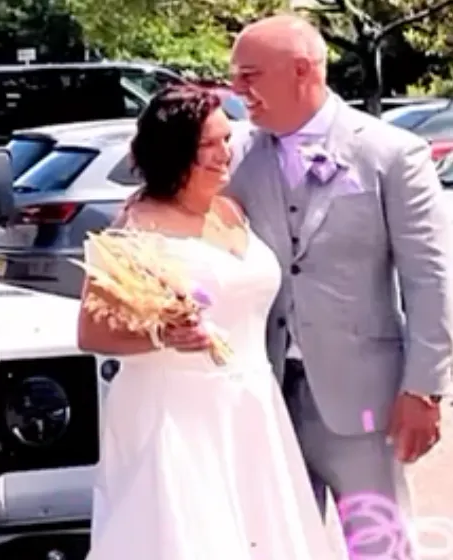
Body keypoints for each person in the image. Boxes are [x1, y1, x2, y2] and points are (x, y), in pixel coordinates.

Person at [169, 15, 453, 559]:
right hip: (263, 390)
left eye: (250, 75)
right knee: (273, 543)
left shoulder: (392, 154)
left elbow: (430, 277)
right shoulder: (240, 156)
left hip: (365, 399)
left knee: (380, 546)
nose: (237, 90)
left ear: (301, 71)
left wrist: (424, 389)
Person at [79, 84, 340, 559]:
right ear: (176, 151)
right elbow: (91, 331)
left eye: (227, 139)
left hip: (251, 402)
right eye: (211, 144)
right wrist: (163, 333)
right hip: (174, 411)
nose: (227, 153)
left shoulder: (233, 209)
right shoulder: (133, 229)